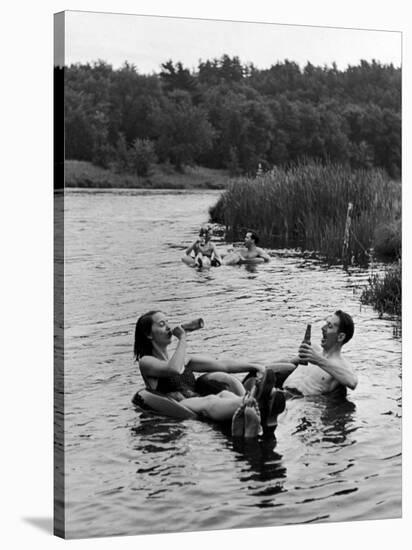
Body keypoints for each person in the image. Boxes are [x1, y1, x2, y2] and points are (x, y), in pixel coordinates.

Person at [133, 310, 286, 437]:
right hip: (179, 404)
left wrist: (255, 366)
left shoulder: (184, 360)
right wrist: (183, 338)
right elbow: (173, 368)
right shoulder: (146, 361)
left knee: (224, 395)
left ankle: (253, 405)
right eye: (162, 324)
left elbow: (222, 364)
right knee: (210, 400)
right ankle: (256, 401)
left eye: (168, 322)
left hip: (196, 398)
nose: (168, 327)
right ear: (149, 335)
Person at [267, 310, 357, 397]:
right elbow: (288, 362)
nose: (323, 328)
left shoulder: (341, 365)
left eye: (329, 326)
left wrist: (318, 360)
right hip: (281, 392)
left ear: (340, 337)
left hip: (299, 403)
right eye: (326, 324)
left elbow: (352, 382)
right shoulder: (313, 350)